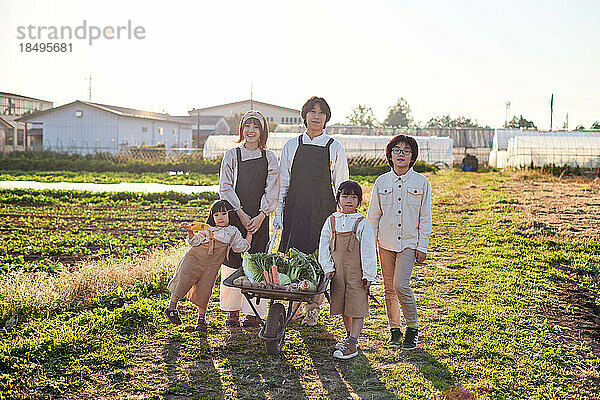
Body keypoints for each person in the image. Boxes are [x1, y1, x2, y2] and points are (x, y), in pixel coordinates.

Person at [274, 96, 349, 326]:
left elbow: (342, 186)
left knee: (319, 260)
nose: (316, 116)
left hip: (323, 212)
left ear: (326, 118)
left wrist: (342, 217)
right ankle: (293, 305)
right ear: (305, 115)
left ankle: (313, 308)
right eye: (312, 112)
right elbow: (283, 182)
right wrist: (279, 212)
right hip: (296, 210)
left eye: (321, 113)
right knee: (294, 258)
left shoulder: (334, 147)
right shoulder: (292, 145)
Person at [367, 135, 432, 350]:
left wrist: (422, 246)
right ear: (390, 155)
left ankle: (412, 328)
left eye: (406, 150)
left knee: (400, 285)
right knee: (388, 289)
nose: (401, 154)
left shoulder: (421, 183)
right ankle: (394, 330)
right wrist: (370, 245)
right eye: (397, 150)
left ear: (413, 156)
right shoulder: (381, 182)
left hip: (408, 244)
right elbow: (373, 216)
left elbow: (425, 217)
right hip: (385, 242)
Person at [219, 110, 279, 327]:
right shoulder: (232, 155)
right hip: (236, 216)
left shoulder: (269, 158)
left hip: (259, 219)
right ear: (241, 129)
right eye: (247, 126)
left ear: (262, 131)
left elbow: (272, 190)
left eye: (256, 126)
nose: (251, 130)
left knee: (257, 260)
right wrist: (242, 214)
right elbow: (225, 187)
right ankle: (232, 309)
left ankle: (254, 311)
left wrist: (262, 215)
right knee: (233, 261)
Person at [165, 200, 251, 331]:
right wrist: (190, 231)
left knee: (205, 290)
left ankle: (201, 319)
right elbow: (194, 242)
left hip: (211, 267)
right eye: (216, 215)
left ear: (230, 215)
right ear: (212, 217)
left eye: (223, 214)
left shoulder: (233, 232)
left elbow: (243, 247)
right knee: (183, 281)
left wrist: (250, 233)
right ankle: (171, 308)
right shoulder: (208, 229)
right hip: (193, 259)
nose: (220, 218)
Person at [318, 180, 377, 359]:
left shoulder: (362, 223)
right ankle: (350, 336)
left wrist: (368, 275)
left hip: (356, 273)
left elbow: (368, 251)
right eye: (345, 197)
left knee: (356, 305)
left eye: (353, 197)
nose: (349, 201)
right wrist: (327, 267)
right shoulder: (332, 220)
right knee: (343, 305)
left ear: (359, 201)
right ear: (338, 199)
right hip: (337, 273)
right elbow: (323, 246)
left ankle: (352, 344)